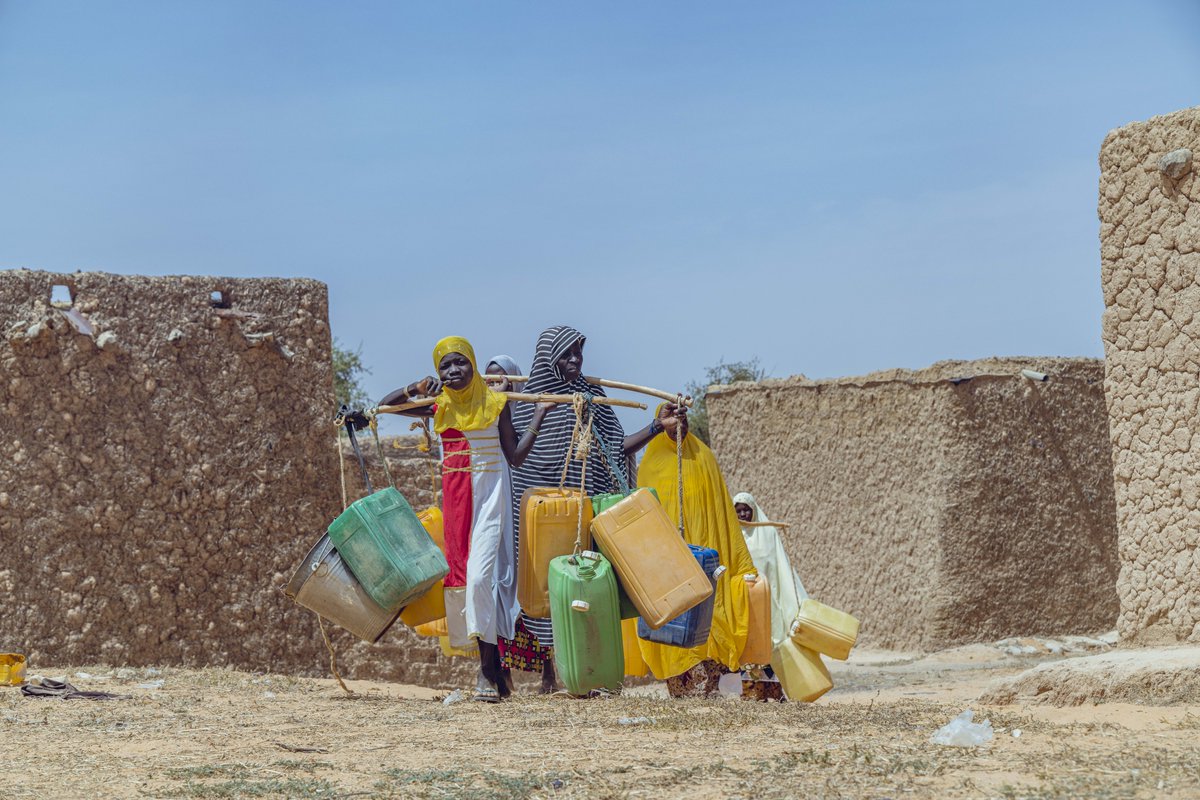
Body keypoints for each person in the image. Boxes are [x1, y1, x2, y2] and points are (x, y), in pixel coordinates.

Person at [508, 325, 680, 693]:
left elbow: (616, 448)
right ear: (548, 359)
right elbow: (520, 465)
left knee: (589, 587)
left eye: (578, 353)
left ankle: (593, 669)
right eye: (565, 355)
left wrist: (655, 426)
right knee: (547, 588)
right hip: (546, 519)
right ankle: (551, 674)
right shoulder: (526, 404)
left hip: (588, 510)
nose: (574, 361)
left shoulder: (592, 395)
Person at [379, 337, 549, 703]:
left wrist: (539, 415)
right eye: (446, 365)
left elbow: (515, 456)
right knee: (463, 582)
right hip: (457, 501)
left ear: (473, 364)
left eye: (461, 363)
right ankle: (494, 670)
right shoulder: (438, 405)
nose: (453, 371)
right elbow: (386, 407)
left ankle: (487, 670)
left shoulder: (495, 403)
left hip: (490, 499)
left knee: (479, 579)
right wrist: (416, 387)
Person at [634, 405, 758, 698]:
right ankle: (680, 688)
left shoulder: (705, 459)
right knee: (671, 621)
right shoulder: (651, 463)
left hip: (706, 560)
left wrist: (740, 563)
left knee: (709, 615)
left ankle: (707, 688)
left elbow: (724, 516)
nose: (679, 427)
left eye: (683, 420)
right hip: (667, 564)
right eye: (672, 421)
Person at [733, 491, 809, 701]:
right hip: (744, 601)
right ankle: (750, 693)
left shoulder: (768, 535)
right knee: (748, 645)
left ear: (754, 510)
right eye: (738, 510)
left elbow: (779, 567)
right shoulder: (732, 536)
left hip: (769, 603)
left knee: (770, 642)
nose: (743, 514)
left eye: (746, 509)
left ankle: (774, 692)